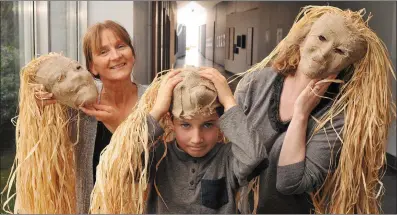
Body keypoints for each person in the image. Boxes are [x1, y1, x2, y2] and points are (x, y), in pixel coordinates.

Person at [235, 5, 395, 214]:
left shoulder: (337, 116)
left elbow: (289, 183)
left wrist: (301, 114)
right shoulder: (256, 82)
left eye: (339, 51)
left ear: (346, 65)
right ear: (302, 40)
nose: (323, 54)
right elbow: (226, 145)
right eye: (321, 38)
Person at [89, 67, 268, 214]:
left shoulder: (228, 159)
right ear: (170, 122)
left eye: (207, 125)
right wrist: (157, 110)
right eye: (185, 125)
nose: (197, 139)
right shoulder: (158, 155)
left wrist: (229, 101)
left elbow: (254, 157)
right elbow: (123, 162)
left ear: (221, 122)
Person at [34, 20, 147, 213]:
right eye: (103, 52)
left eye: (121, 46)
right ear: (92, 67)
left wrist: (119, 127)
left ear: (133, 54)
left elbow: (163, 166)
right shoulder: (77, 102)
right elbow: (44, 149)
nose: (116, 55)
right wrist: (39, 108)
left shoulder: (152, 99)